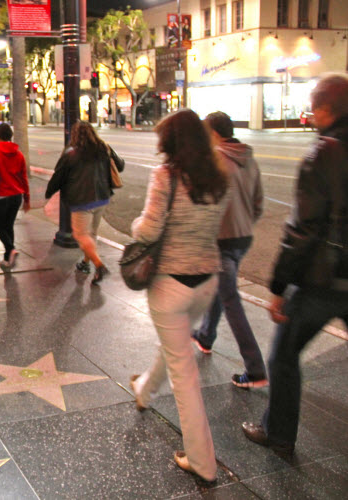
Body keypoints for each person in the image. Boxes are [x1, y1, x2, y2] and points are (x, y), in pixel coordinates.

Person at [242, 74, 348, 457]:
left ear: (324, 109)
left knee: (284, 356)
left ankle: (279, 433)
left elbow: (303, 229)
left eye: (313, 105)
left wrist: (278, 287)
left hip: (324, 280)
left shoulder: (323, 153)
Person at [129, 109, 229, 483]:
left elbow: (148, 230)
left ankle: (202, 462)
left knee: (183, 373)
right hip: (207, 282)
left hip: (171, 283)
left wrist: (136, 224)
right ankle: (144, 390)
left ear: (169, 142)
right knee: (177, 346)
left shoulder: (166, 177)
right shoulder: (218, 177)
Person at [192, 111, 267, 389]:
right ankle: (206, 336)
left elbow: (202, 206)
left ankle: (255, 369)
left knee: (230, 298)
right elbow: (258, 204)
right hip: (243, 238)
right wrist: (243, 224)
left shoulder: (214, 161)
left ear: (213, 134)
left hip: (221, 240)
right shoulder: (249, 159)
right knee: (222, 289)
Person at [45, 121, 124, 285]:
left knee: (80, 235)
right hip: (102, 198)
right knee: (91, 234)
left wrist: (49, 192)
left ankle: (99, 265)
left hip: (82, 201)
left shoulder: (70, 153)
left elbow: (58, 177)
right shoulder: (103, 148)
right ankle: (85, 264)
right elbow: (120, 166)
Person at [0, 123, 30, 270]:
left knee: (0, 227)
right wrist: (26, 198)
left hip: (1, 195)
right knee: (9, 226)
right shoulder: (19, 154)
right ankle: (8, 259)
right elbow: (23, 177)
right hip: (16, 196)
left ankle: (10, 248)